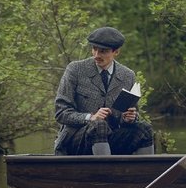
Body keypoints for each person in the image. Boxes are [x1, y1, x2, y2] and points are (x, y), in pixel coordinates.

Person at [53, 26, 155, 155]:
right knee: (99, 125)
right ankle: (105, 174)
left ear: (116, 52)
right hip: (75, 140)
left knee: (144, 128)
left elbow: (129, 114)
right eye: (94, 49)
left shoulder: (128, 75)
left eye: (103, 51)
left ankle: (145, 174)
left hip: (110, 138)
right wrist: (91, 117)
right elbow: (61, 112)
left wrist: (129, 118)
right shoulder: (75, 69)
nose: (96, 55)